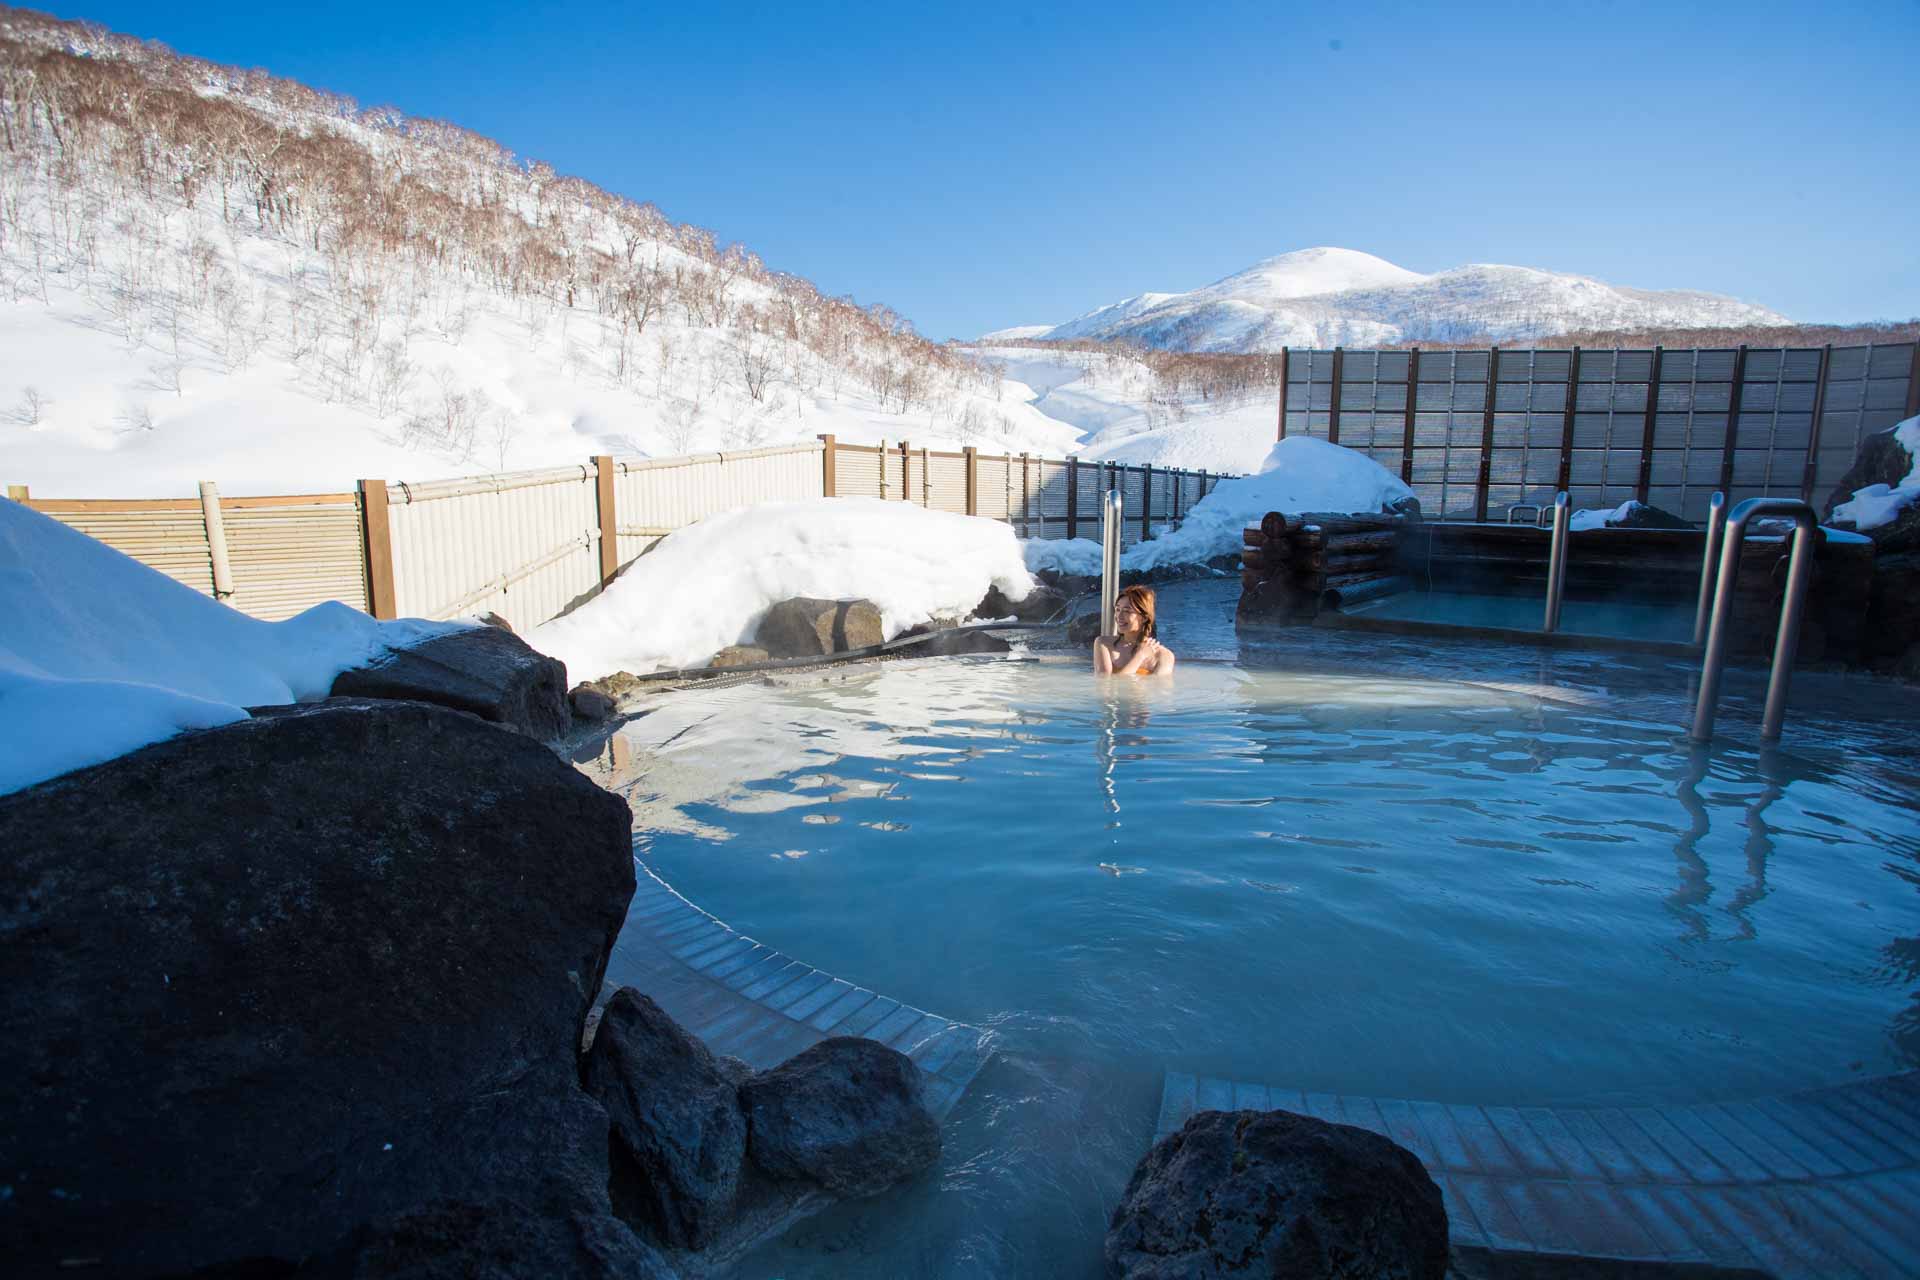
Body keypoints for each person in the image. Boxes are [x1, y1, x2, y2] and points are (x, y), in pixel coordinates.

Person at [1093, 584, 1175, 676]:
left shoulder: (1164, 656)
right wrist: (1140, 656)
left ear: (1144, 617)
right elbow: (1106, 685)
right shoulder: (1104, 644)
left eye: (1127, 611)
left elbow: (1156, 689)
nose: (1119, 616)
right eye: (1118, 609)